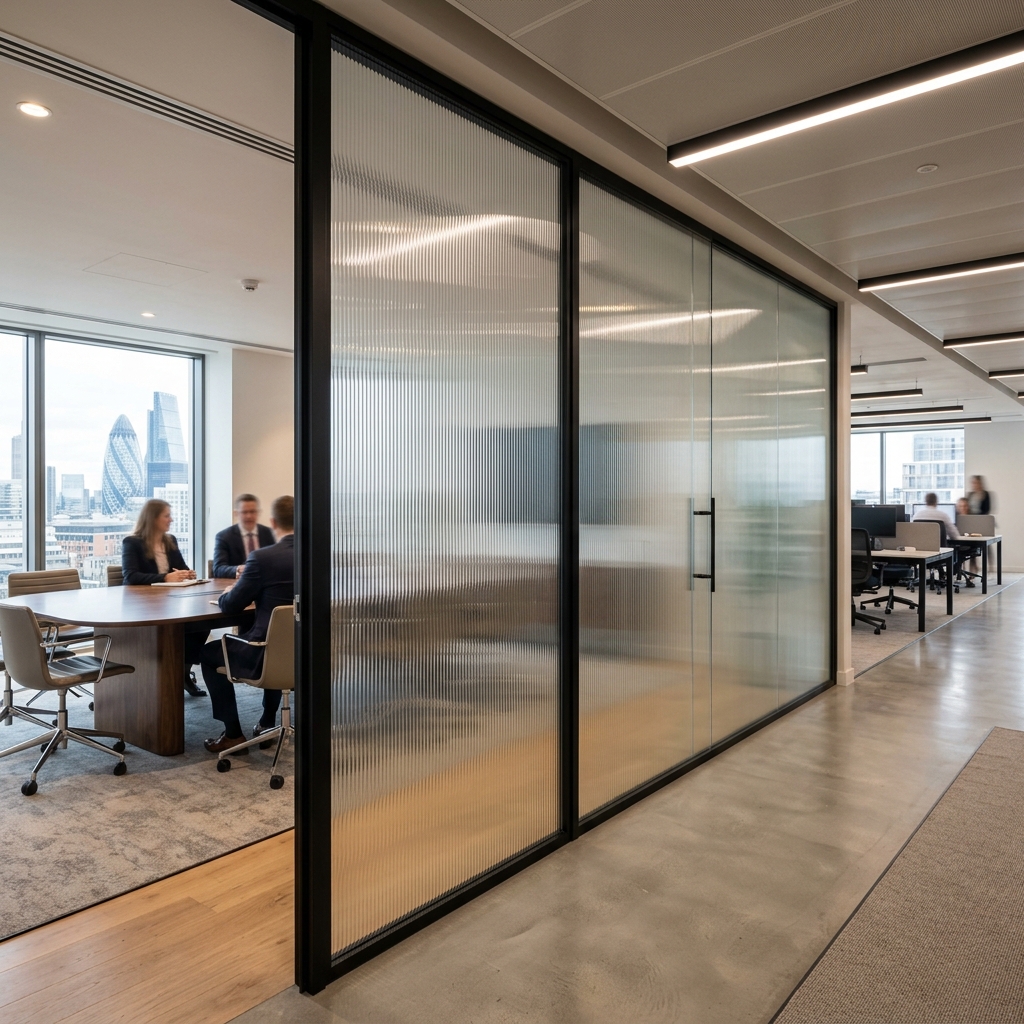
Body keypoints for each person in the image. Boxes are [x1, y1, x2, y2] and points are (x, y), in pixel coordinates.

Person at [200, 494, 294, 754]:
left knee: (207, 654)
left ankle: (233, 735)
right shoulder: (320, 556)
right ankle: (267, 721)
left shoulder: (263, 558)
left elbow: (231, 606)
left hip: (264, 653)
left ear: (273, 522)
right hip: (309, 654)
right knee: (281, 644)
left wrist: (227, 593)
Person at [122, 499, 209, 696]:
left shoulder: (170, 540)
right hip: (141, 606)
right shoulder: (132, 542)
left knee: (201, 624)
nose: (171, 519)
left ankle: (183, 673)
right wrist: (165, 577)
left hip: (170, 602)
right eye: (167, 515)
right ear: (152, 518)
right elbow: (131, 576)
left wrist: (188, 574)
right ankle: (160, 676)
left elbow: (181, 567)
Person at [212, 493, 276, 578]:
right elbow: (218, 569)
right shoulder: (224, 537)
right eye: (244, 512)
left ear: (258, 513)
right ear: (236, 513)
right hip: (236, 585)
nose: (249, 516)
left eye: (252, 512)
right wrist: (237, 570)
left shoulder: (270, 533)